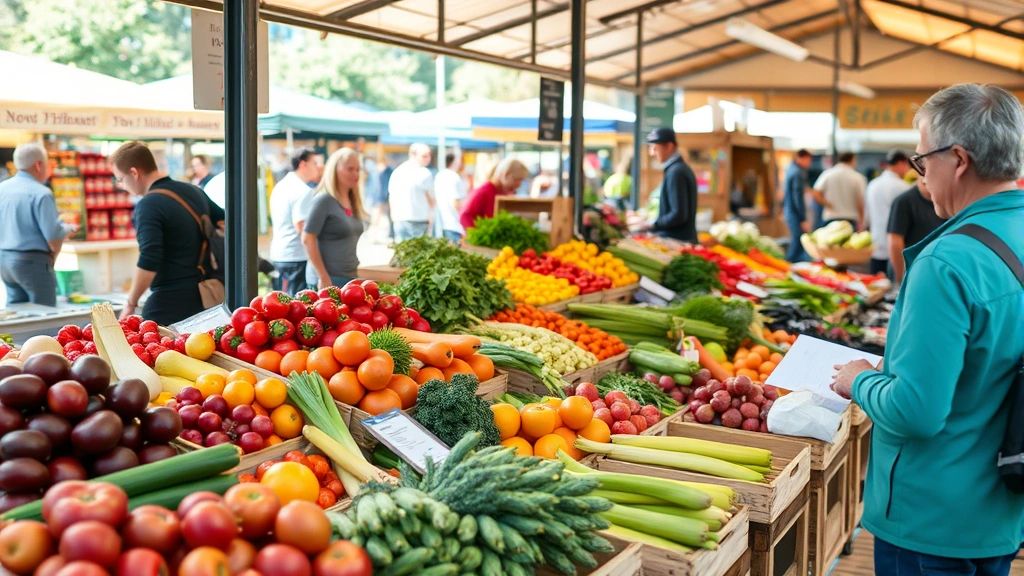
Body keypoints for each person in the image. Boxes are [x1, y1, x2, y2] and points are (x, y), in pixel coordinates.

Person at [830, 84, 1024, 576]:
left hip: (931, 523)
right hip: (998, 510)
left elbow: (916, 412)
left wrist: (859, 379)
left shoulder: (947, 262)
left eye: (922, 162)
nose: (921, 178)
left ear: (958, 159)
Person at [110, 142, 224, 325]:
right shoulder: (193, 191)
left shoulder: (148, 205)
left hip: (169, 302)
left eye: (120, 179)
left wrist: (131, 302)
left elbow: (149, 258)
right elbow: (224, 221)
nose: (121, 185)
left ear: (134, 173)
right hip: (207, 296)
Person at [0, 143, 72, 306]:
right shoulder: (41, 193)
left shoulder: (2, 188)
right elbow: (53, 237)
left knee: (18, 316)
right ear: (39, 165)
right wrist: (67, 229)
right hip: (31, 261)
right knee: (44, 315)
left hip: (4, 260)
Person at [302, 148, 366, 289]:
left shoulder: (352, 201)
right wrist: (323, 277)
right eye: (350, 169)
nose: (355, 174)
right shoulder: (324, 200)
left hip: (349, 277)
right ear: (335, 169)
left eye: (357, 169)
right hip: (327, 280)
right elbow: (308, 238)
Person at [269, 148, 324, 295]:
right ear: (303, 164)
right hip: (295, 258)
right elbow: (302, 226)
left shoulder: (281, 185)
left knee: (280, 303)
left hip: (282, 255)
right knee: (292, 306)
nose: (318, 167)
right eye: (314, 163)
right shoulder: (302, 191)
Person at [887, 176, 947, 286]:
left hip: (935, 272)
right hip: (910, 271)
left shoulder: (945, 202)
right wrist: (902, 277)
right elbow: (895, 243)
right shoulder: (904, 201)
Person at [644, 127, 698, 243]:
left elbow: (678, 215)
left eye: (654, 148)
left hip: (678, 241)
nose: (651, 153)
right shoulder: (677, 169)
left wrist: (652, 224)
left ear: (669, 146)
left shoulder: (676, 172)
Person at [863, 150, 912, 275]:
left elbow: (866, 216)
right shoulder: (903, 187)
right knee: (895, 288)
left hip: (875, 243)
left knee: (877, 286)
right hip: (897, 247)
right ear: (901, 163)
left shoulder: (873, 184)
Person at [459, 158, 530, 232]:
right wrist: (480, 233)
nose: (519, 185)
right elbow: (464, 216)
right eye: (517, 180)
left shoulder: (505, 192)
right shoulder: (484, 191)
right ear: (506, 175)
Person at [388, 143, 435, 242]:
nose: (428, 158)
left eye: (429, 155)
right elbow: (431, 199)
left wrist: (394, 216)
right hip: (419, 220)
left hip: (401, 219)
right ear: (413, 155)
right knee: (419, 254)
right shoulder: (424, 173)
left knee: (402, 253)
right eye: (424, 156)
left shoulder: (398, 171)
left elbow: (392, 195)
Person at [812, 152, 866, 229]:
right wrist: (861, 221)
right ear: (852, 160)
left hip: (831, 217)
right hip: (850, 219)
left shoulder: (828, 174)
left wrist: (827, 204)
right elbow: (861, 201)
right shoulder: (857, 177)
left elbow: (816, 193)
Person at [782, 149, 813, 262]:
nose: (809, 163)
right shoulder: (797, 173)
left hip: (789, 212)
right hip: (794, 214)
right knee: (798, 241)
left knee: (797, 240)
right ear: (802, 158)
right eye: (809, 160)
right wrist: (803, 219)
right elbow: (797, 197)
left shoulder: (790, 169)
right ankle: (788, 267)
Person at [434, 152, 468, 243]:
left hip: (445, 223)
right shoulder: (453, 177)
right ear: (456, 162)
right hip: (456, 225)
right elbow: (456, 202)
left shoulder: (440, 175)